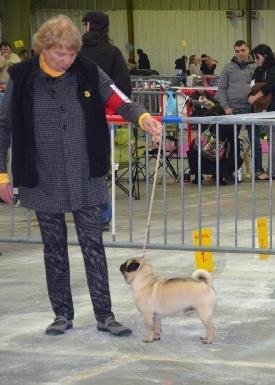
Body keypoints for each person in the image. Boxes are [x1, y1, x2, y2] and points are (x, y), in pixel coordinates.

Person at [0, 15, 163, 337]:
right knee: (54, 249)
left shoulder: (88, 71)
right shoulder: (20, 76)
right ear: (43, 48)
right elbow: (3, 126)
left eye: (72, 54)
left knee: (94, 247)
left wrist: (143, 117)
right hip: (41, 177)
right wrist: (1, 176)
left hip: (85, 175)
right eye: (61, 54)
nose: (67, 60)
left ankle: (105, 315)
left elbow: (118, 100)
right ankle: (62, 315)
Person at [79, 10, 133, 232]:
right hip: (104, 118)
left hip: (73, 118)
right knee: (98, 168)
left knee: (74, 167)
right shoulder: (112, 52)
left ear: (89, 25)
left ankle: (80, 212)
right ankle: (102, 216)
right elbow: (122, 87)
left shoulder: (74, 51)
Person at [217, 40, 262, 180]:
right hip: (233, 110)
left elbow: (262, 86)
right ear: (234, 51)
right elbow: (222, 89)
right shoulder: (227, 68)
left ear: (248, 49)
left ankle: (258, 171)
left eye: (242, 50)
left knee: (255, 141)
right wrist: (226, 107)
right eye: (237, 51)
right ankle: (230, 171)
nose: (240, 54)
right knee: (230, 143)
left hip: (251, 109)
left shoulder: (256, 67)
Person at [248, 44, 275, 180]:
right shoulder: (261, 70)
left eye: (257, 57)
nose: (255, 60)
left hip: (273, 108)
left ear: (264, 56)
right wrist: (251, 96)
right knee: (274, 140)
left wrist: (255, 97)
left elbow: (272, 86)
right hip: (266, 108)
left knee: (273, 140)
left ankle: (272, 172)